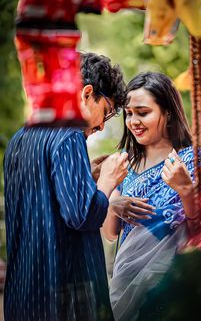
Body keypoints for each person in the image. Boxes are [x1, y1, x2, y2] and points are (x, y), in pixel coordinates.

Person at [3, 52, 134, 321]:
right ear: (87, 94)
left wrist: (89, 176)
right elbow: (81, 214)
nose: (99, 126)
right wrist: (108, 180)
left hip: (25, 295)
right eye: (106, 113)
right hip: (66, 296)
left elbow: (47, 203)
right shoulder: (70, 133)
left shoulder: (20, 138)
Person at [102, 71, 200, 321]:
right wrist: (113, 204)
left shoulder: (193, 160)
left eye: (143, 112)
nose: (133, 121)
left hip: (175, 285)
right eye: (129, 113)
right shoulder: (125, 162)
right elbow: (111, 233)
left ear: (167, 113)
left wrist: (186, 190)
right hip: (126, 285)